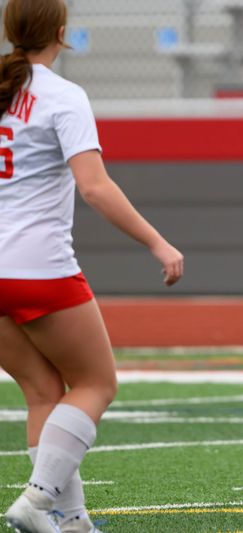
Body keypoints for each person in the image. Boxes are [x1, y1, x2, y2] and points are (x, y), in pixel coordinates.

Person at [0, 1, 184, 532]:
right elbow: (95, 186)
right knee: (96, 384)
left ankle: (73, 523)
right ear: (62, 32)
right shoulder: (62, 95)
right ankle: (36, 502)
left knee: (42, 391)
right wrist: (157, 243)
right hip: (37, 267)